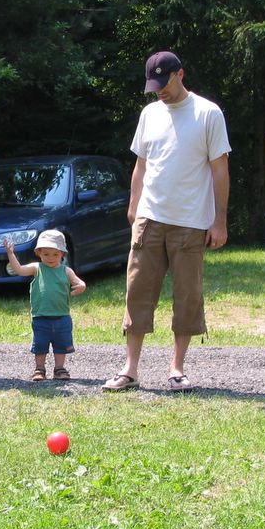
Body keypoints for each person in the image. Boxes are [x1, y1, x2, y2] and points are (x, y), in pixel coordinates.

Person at [103, 51, 230, 393]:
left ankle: (177, 369)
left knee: (187, 296)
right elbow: (141, 166)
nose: (159, 90)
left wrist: (219, 221)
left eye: (163, 83)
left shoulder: (208, 113)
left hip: (191, 222)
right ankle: (130, 369)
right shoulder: (149, 114)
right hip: (149, 218)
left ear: (180, 74)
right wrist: (134, 209)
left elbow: (220, 170)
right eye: (153, 85)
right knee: (137, 292)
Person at [5, 229, 86, 381]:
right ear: (39, 253)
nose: (50, 258)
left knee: (61, 345)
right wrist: (11, 254)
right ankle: (39, 369)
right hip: (40, 316)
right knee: (40, 345)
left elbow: (79, 282)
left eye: (55, 254)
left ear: (62, 254)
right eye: (46, 254)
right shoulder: (37, 268)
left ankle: (59, 368)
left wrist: (81, 286)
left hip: (62, 315)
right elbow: (19, 270)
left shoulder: (66, 271)